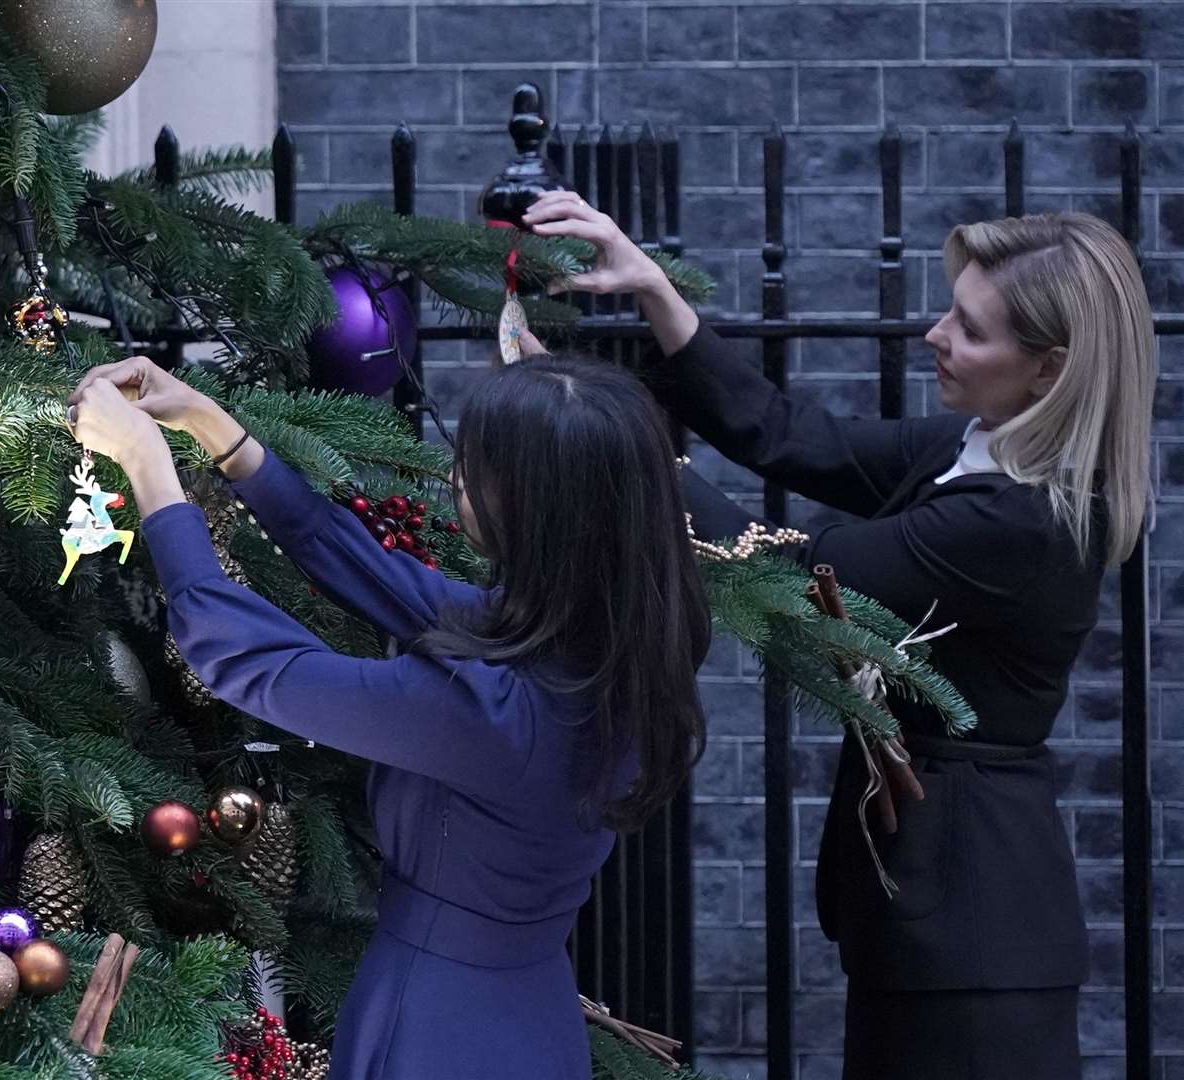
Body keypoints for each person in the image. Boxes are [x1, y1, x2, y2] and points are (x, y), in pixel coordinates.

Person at [523, 191, 1155, 1080]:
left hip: (975, 937)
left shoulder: (1023, 519)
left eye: (970, 329)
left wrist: (612, 432)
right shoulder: (978, 448)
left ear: (1048, 369)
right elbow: (793, 438)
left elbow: (794, 568)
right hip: (938, 912)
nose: (936, 334)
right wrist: (658, 294)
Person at [66, 349, 711, 1078]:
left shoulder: (496, 712)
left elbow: (244, 660)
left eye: (477, 466)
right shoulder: (603, 644)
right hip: (527, 1008)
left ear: (538, 509)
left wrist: (148, 465)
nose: (455, 478)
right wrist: (214, 428)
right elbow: (363, 566)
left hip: (441, 1025)